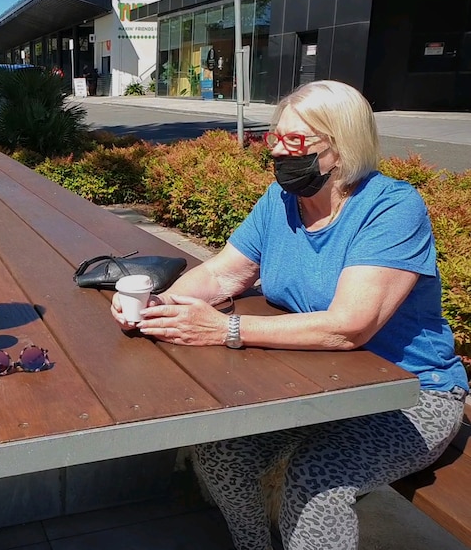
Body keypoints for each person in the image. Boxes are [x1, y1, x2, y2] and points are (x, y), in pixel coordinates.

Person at [109, 80, 468, 550]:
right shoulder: (280, 202)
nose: (278, 151)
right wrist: (163, 305)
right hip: (318, 384)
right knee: (219, 450)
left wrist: (226, 329)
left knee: (315, 480)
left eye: (294, 141)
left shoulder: (390, 209)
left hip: (409, 397)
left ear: (341, 147)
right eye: (275, 137)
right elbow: (222, 275)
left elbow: (349, 327)